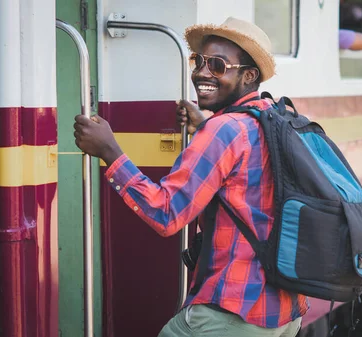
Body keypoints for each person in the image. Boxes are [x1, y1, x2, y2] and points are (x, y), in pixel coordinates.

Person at [73, 17, 307, 337]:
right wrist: (204, 125)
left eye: (218, 65)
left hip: (231, 313)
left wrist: (110, 151)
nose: (201, 73)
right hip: (284, 312)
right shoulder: (276, 118)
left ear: (249, 75)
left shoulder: (223, 131)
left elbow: (166, 213)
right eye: (198, 61)